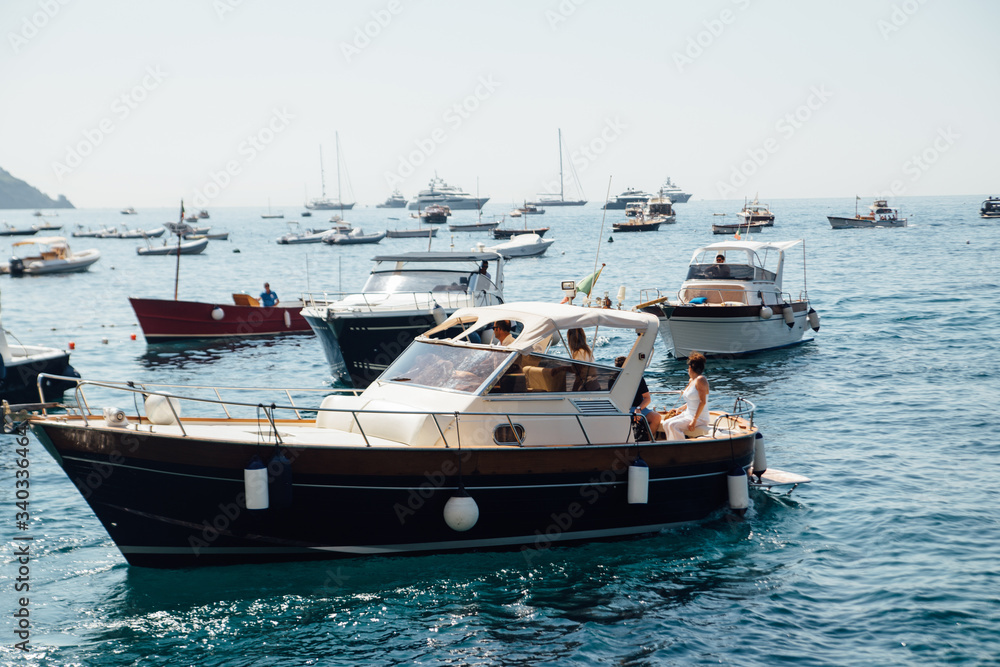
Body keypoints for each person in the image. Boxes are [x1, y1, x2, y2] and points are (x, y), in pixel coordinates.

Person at [662, 352, 710, 441]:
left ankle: (680, 449)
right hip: (688, 414)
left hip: (700, 418)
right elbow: (691, 401)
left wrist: (694, 420)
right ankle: (671, 446)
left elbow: (702, 402)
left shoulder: (701, 380)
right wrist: (679, 409)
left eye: (688, 367)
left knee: (673, 425)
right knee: (666, 423)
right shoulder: (692, 380)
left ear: (690, 368)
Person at [615, 355, 661, 437]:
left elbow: (647, 398)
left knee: (656, 417)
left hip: (637, 408)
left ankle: (647, 441)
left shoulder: (638, 378)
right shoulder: (613, 379)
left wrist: (638, 409)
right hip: (622, 409)